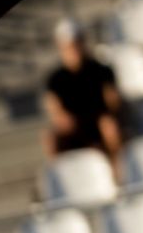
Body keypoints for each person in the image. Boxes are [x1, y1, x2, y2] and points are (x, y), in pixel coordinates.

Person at [43, 19, 123, 163]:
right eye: (69, 45)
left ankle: (116, 169)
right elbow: (55, 111)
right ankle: (58, 176)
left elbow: (113, 104)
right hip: (74, 130)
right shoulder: (55, 79)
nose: (74, 49)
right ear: (61, 47)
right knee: (50, 138)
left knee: (109, 126)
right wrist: (65, 121)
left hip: (99, 126)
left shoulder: (102, 71)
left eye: (76, 43)